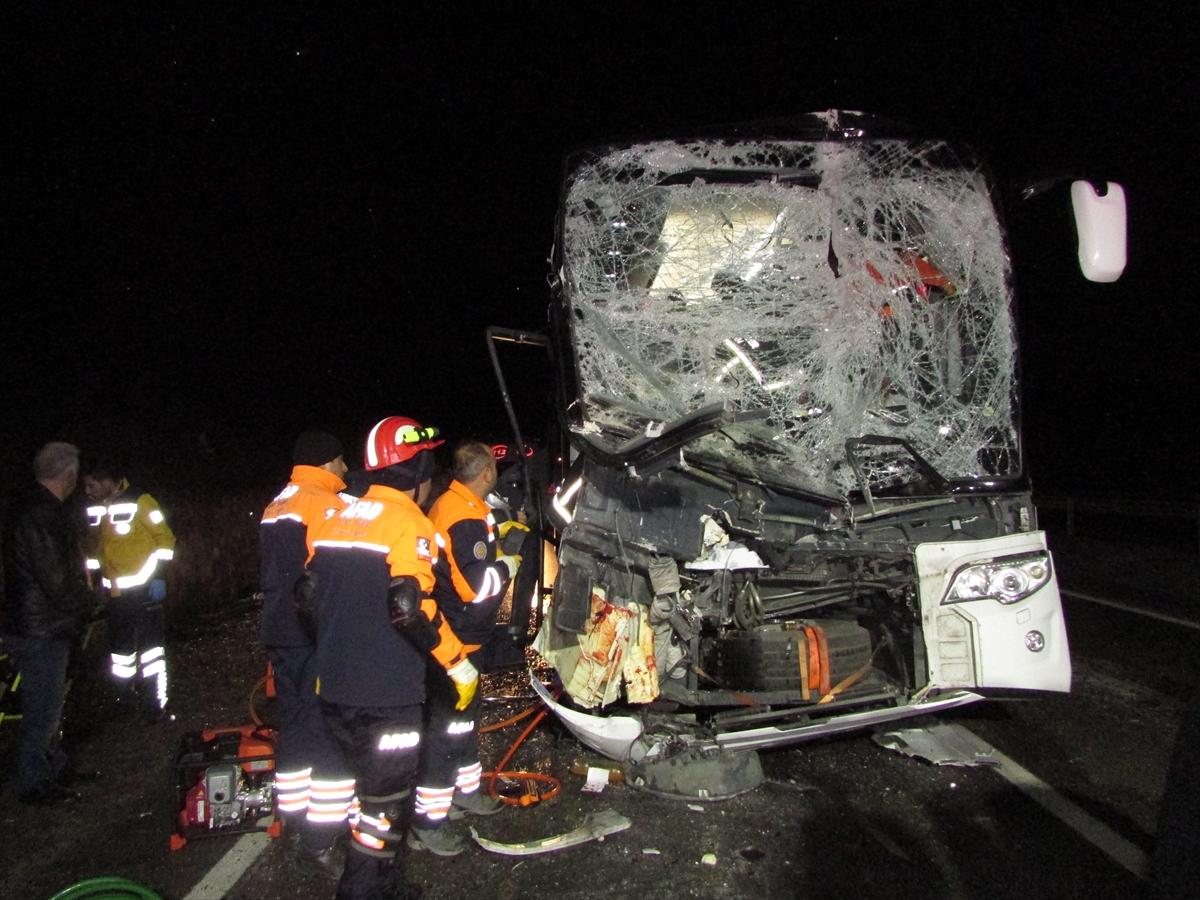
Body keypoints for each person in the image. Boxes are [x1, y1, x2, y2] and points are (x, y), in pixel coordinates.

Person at [299, 416, 480, 900]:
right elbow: (409, 606)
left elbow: (309, 594)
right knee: (383, 813)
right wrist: (457, 663)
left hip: (333, 690)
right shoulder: (408, 522)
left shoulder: (334, 516)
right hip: (387, 700)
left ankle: (388, 887)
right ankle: (360, 892)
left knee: (372, 798)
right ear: (414, 469)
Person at [408, 441, 526, 855]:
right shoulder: (463, 517)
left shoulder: (457, 505)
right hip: (456, 642)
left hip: (461, 634)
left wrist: (501, 535)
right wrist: (507, 564)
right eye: (495, 467)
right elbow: (477, 587)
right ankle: (428, 822)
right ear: (486, 474)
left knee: (463, 723)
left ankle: (466, 790)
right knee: (447, 729)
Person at [259, 430, 355, 877]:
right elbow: (333, 580)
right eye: (341, 462)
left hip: (280, 634)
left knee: (295, 728)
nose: (346, 470)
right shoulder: (327, 505)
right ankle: (320, 841)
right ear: (328, 462)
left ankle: (294, 814)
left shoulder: (278, 502)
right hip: (316, 637)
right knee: (328, 735)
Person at [1, 442, 98, 805]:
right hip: (40, 629)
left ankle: (55, 767)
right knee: (42, 709)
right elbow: (55, 579)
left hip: (45, 624)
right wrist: (89, 602)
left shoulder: (36, 509)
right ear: (69, 474)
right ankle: (34, 783)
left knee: (52, 705)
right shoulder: (39, 515)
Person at [82, 457, 176, 720]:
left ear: (108, 481)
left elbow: (165, 541)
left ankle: (155, 704)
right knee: (121, 655)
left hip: (144, 591)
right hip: (115, 595)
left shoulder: (141, 500)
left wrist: (159, 576)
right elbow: (95, 548)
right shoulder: (95, 509)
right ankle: (124, 701)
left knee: (151, 652)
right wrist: (96, 578)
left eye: (91, 485)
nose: (87, 491)